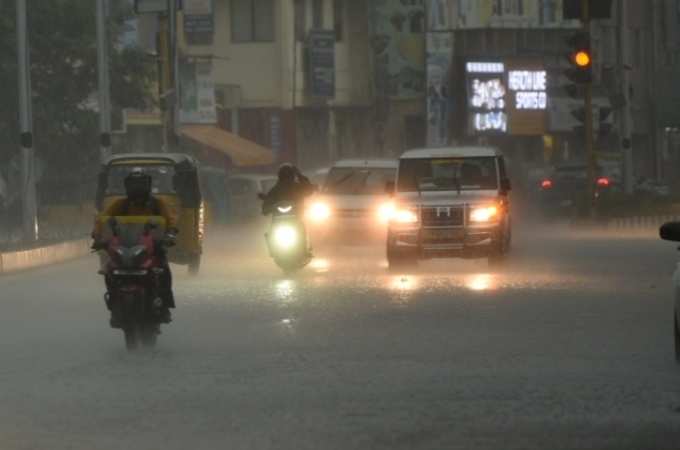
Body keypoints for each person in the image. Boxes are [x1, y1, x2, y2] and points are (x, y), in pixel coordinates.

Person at [92, 170, 177, 325]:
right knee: (109, 270)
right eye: (133, 185)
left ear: (148, 185)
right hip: (125, 248)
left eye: (141, 184)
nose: (137, 188)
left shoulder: (158, 204)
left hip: (152, 249)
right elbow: (102, 220)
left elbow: (170, 221)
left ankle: (164, 306)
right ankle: (114, 304)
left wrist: (170, 234)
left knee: (164, 272)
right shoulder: (120, 204)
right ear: (127, 186)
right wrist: (98, 236)